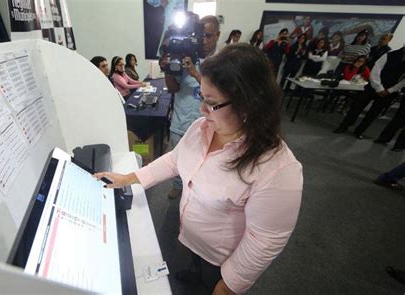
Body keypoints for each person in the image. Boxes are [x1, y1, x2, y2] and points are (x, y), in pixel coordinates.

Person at [95, 43, 303, 294]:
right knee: (195, 269)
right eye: (201, 98)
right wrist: (130, 177)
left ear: (249, 104)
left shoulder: (277, 168)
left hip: (223, 259)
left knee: (210, 283)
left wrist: (228, 285)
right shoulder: (201, 128)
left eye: (212, 103)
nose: (202, 110)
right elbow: (175, 160)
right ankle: (194, 271)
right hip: (193, 238)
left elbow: (264, 240)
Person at [159, 14, 220, 199]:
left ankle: (199, 191)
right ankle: (178, 185)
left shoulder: (223, 61)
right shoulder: (184, 54)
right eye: (201, 35)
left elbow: (219, 95)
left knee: (207, 162)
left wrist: (195, 73)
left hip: (211, 126)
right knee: (179, 159)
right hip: (181, 122)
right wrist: (168, 70)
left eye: (208, 35)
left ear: (218, 35)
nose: (203, 40)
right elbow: (172, 88)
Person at [334, 47, 405, 139]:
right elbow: (376, 70)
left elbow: (403, 81)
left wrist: (390, 90)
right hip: (374, 85)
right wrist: (379, 88)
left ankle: (359, 131)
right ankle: (343, 126)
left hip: (388, 91)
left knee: (373, 114)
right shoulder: (390, 54)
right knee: (356, 107)